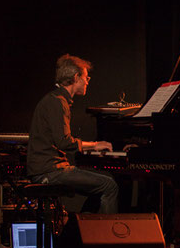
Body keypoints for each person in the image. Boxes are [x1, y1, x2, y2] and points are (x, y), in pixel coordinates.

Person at [27, 54, 119, 214]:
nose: (87, 81)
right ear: (76, 77)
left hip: (50, 169)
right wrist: (96, 145)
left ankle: (84, 229)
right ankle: (106, 237)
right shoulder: (57, 102)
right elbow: (64, 142)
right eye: (86, 77)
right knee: (109, 186)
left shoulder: (56, 99)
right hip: (50, 171)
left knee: (101, 187)